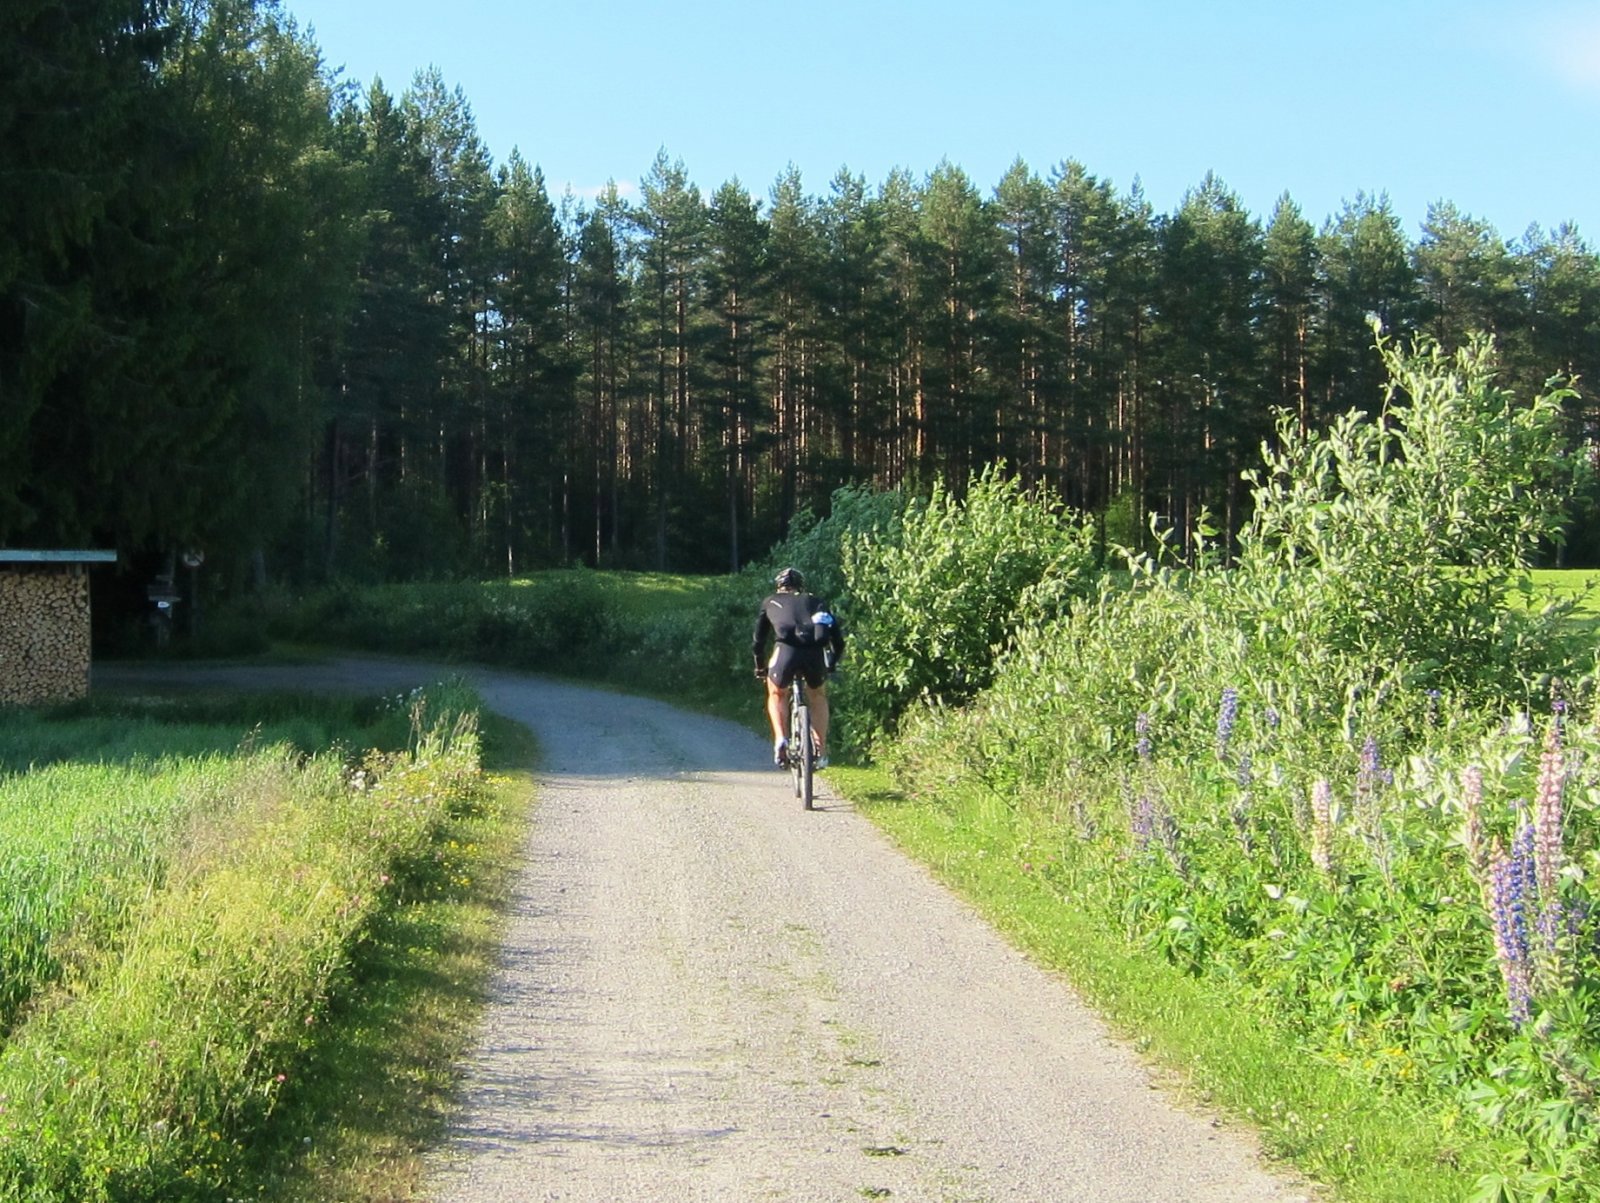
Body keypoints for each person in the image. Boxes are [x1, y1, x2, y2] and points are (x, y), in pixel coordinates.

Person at [752, 567, 845, 769]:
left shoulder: (770, 602)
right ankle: (821, 750)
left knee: (776, 694)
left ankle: (781, 739)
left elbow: (758, 641)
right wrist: (832, 664)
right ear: (801, 586)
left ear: (779, 586)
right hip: (814, 654)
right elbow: (838, 640)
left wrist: (760, 667)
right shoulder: (816, 601)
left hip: (786, 653)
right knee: (818, 695)